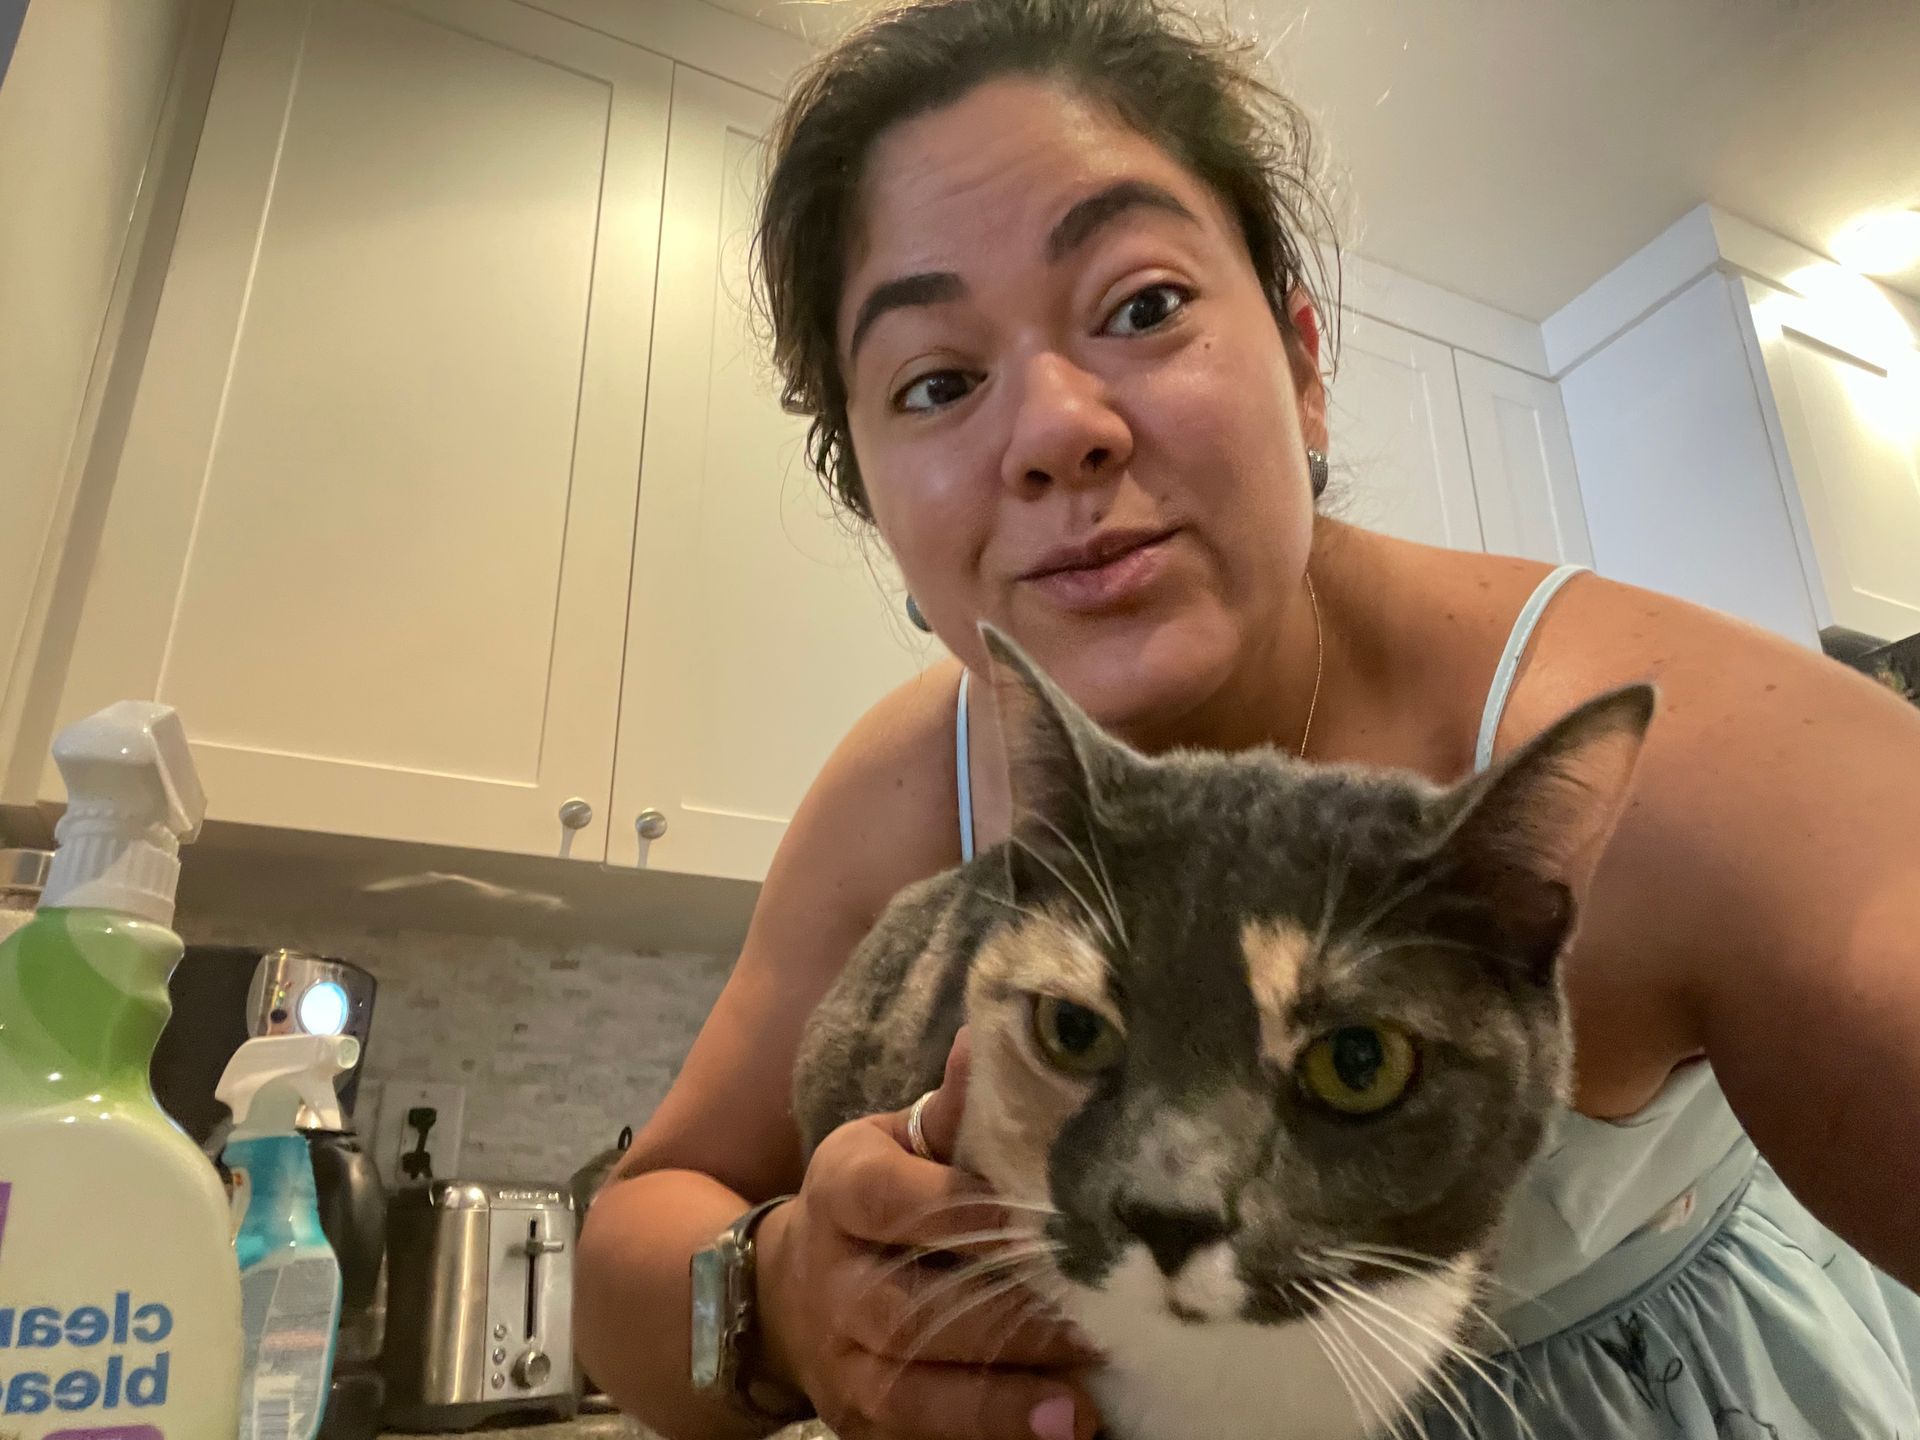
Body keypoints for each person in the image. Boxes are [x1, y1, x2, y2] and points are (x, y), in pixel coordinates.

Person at [575, 1, 1920, 1435]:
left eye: (1142, 305)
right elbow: (627, 1252)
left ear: (1301, 361)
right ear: (875, 499)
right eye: (939, 382)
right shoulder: (907, 792)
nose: (1053, 430)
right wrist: (780, 1295)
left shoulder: (1655, 752)